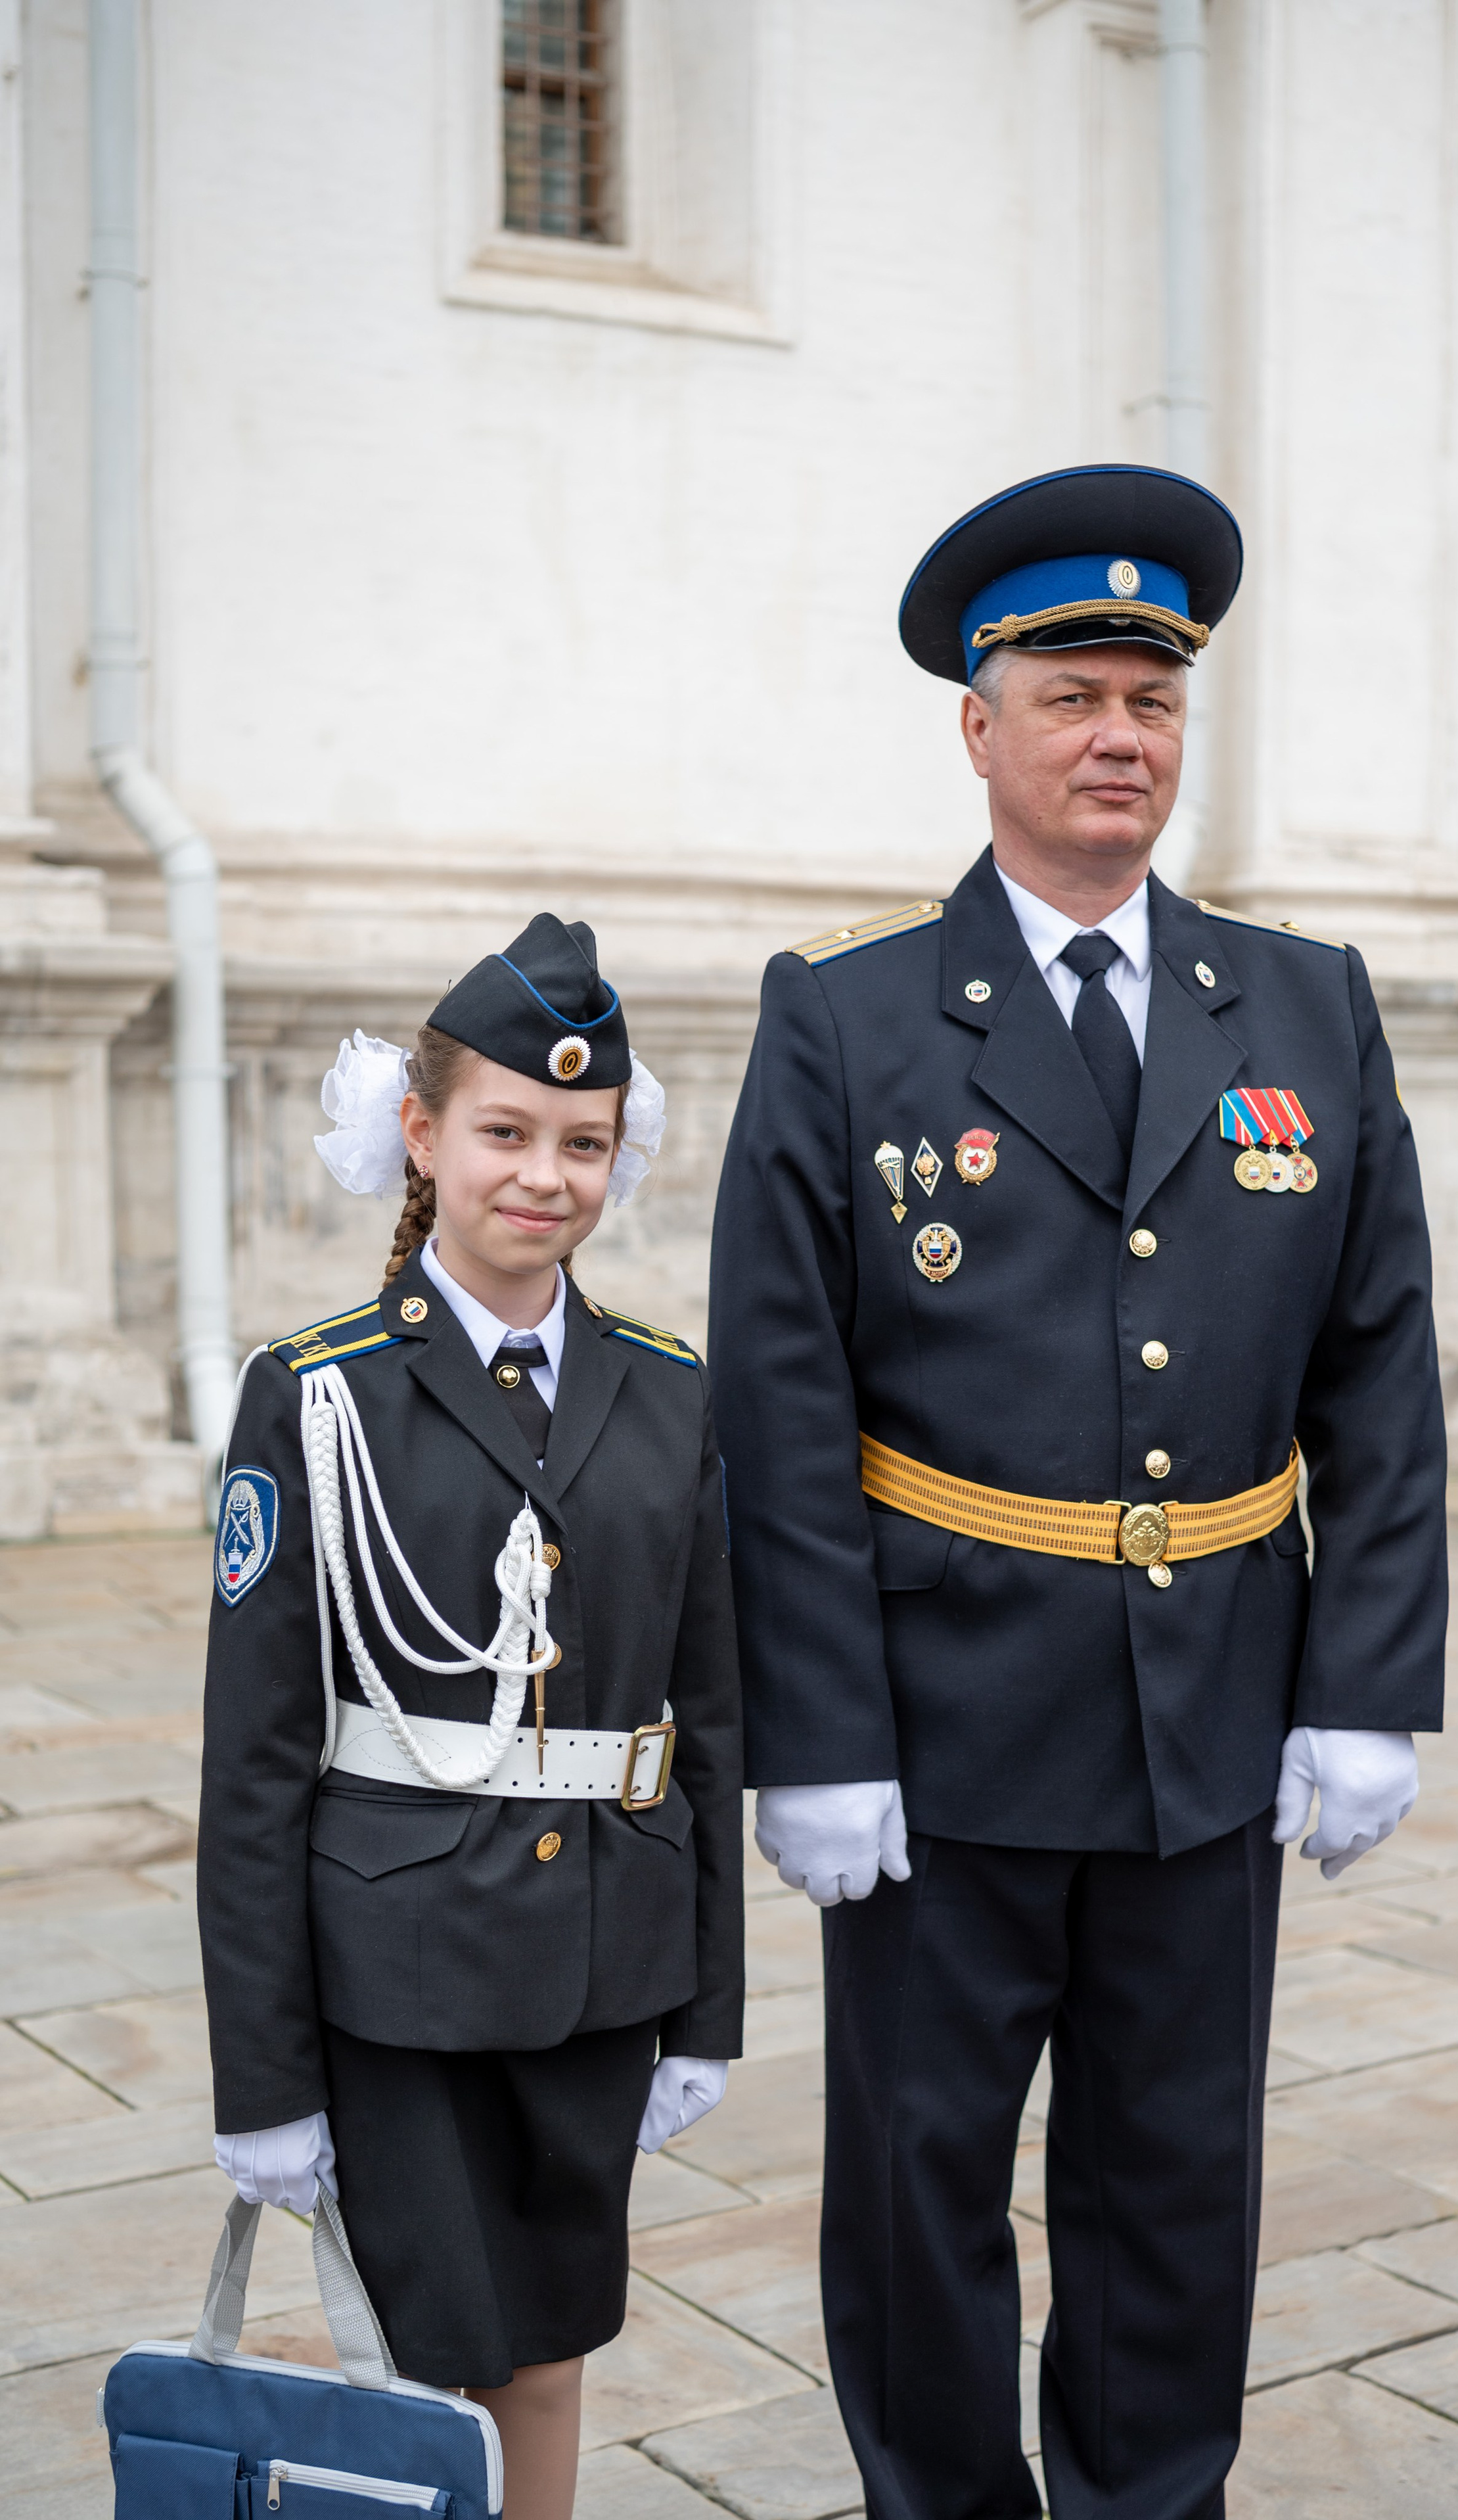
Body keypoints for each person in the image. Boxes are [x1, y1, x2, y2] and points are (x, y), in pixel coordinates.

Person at [708, 465, 1447, 2519]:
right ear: (981, 722)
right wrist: (817, 1734)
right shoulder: (848, 1019)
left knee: (1176, 2178)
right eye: (1073, 696)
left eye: (1154, 697)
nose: (1121, 735)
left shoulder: (1303, 1005)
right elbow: (781, 1399)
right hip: (942, 1733)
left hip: (1210, 1710)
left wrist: (1365, 1677)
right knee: (923, 2182)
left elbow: (1377, 1361)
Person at [198, 916, 744, 2520]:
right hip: (401, 1972)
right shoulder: (318, 1392)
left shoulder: (668, 1390)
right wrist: (262, 2077)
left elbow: (704, 1719)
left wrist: (706, 2007)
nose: (543, 1176)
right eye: (505, 1131)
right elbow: (253, 1765)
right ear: (420, 1136)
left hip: (600, 1956)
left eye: (582, 1143)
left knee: (558, 2333)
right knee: (424, 2348)